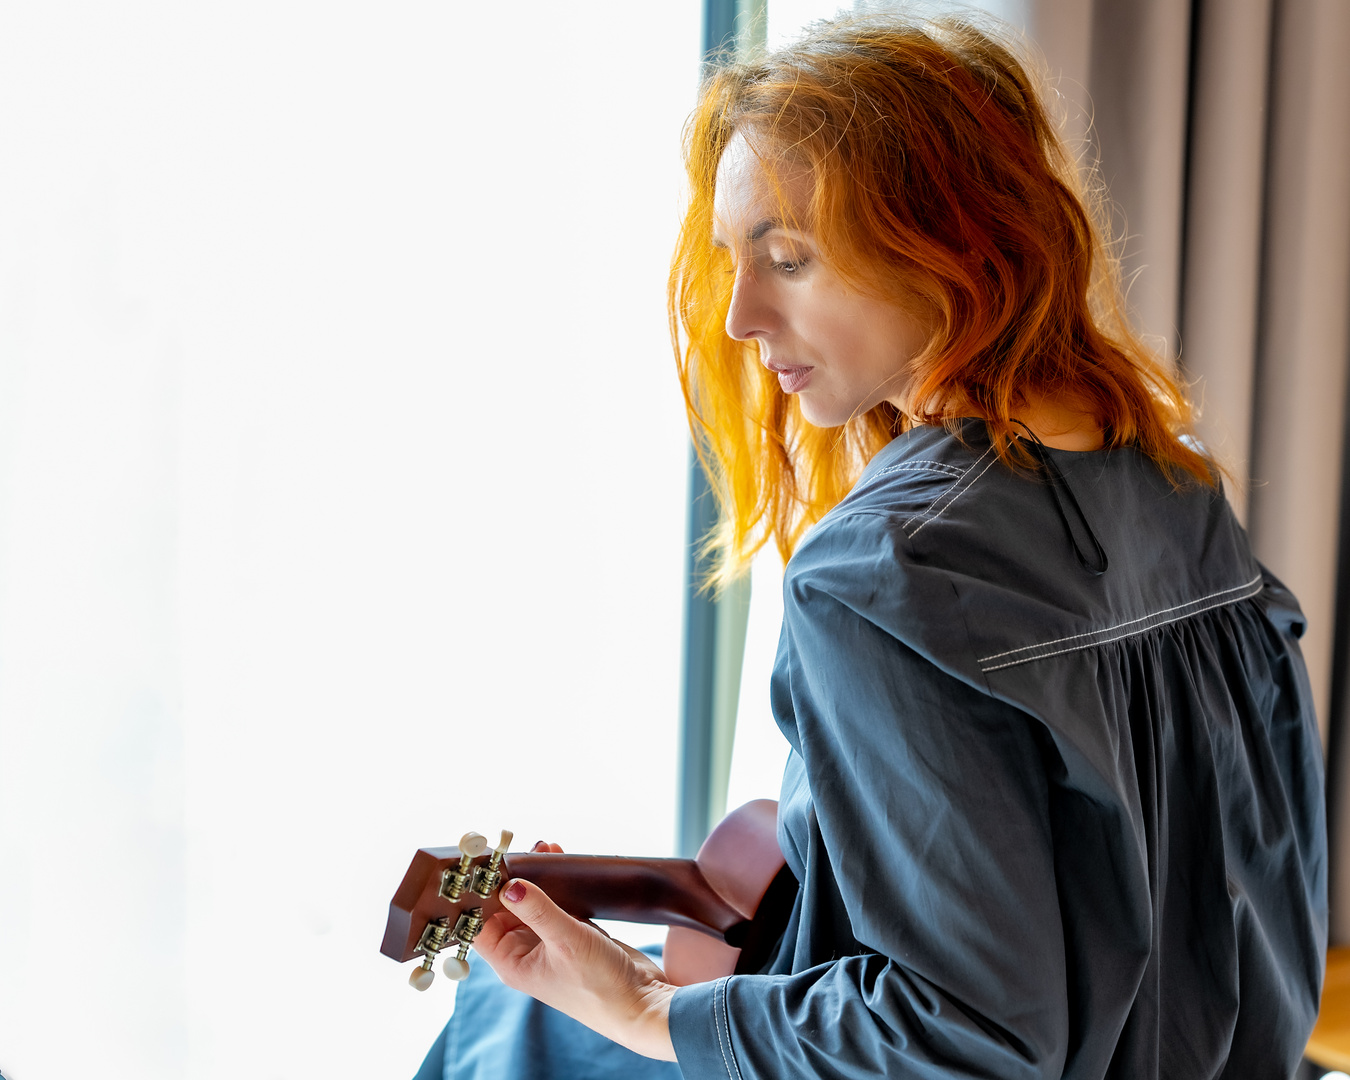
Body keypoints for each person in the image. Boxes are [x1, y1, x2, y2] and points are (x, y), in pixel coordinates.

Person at [416, 12, 1327, 1079]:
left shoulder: (884, 571)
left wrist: (648, 1006)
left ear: (953, 238)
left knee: (504, 1027)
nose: (744, 318)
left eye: (788, 259)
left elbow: (965, 1039)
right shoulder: (1177, 480)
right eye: (734, 262)